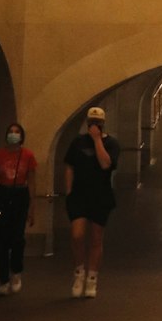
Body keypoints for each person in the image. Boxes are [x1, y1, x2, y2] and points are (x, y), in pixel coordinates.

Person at [64, 104, 120, 298]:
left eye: (98, 122)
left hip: (100, 195)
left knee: (96, 238)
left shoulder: (112, 144)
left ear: (103, 124)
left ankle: (92, 279)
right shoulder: (78, 142)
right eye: (91, 122)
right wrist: (69, 191)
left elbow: (106, 164)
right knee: (77, 235)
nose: (94, 125)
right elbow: (69, 166)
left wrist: (97, 140)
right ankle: (79, 272)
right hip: (79, 195)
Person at [0, 120, 36, 294]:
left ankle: (16, 271)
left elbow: (31, 182)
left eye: (16, 131)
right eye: (11, 131)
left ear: (21, 136)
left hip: (19, 196)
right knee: (0, 239)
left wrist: (31, 207)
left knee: (17, 238)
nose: (13, 134)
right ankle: (3, 280)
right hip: (3, 195)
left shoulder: (28, 155)